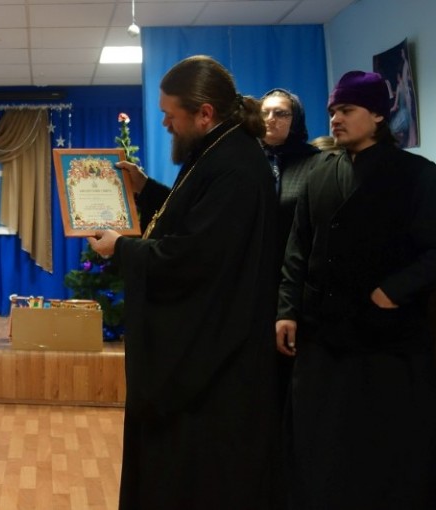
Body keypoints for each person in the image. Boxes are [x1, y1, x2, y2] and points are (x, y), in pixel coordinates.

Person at [88, 55, 280, 509]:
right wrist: (147, 189)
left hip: (211, 363)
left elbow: (192, 257)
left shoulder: (233, 166)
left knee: (193, 476)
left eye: (170, 115)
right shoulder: (218, 152)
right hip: (210, 349)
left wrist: (121, 249)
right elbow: (189, 216)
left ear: (204, 113)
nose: (165, 124)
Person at [276, 70, 436, 509]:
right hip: (321, 337)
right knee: (320, 447)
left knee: (381, 450)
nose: (336, 119)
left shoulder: (417, 175)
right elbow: (298, 248)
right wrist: (287, 310)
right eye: (333, 111)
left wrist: (394, 290)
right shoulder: (319, 172)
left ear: (379, 114)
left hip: (387, 341)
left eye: (347, 110)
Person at [260, 88, 324, 410]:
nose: (271, 119)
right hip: (252, 282)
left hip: (297, 281)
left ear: (295, 119)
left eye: (281, 113)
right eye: (265, 112)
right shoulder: (245, 159)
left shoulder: (316, 163)